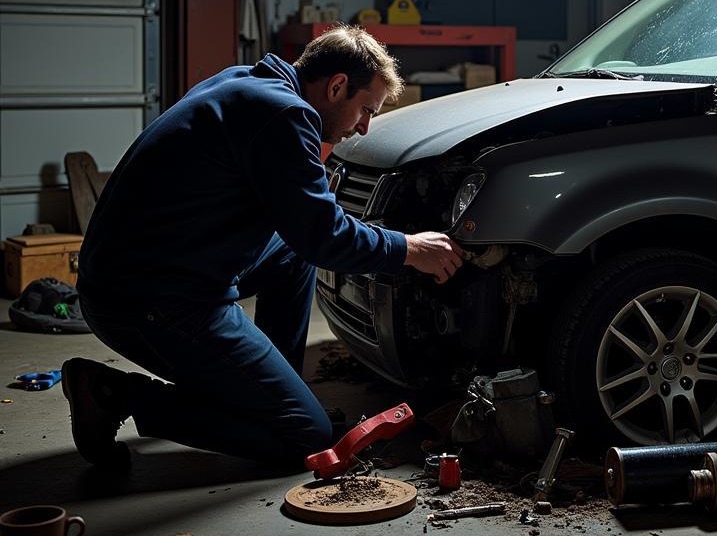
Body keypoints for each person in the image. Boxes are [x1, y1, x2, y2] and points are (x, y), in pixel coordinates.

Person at [62, 25, 464, 468]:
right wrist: (409, 248)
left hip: (145, 274)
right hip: (151, 301)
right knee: (303, 434)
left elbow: (303, 236)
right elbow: (325, 236)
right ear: (336, 86)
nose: (365, 127)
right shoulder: (284, 115)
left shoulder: (248, 83)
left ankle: (272, 390)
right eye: (366, 109)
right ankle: (114, 393)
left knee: (291, 253)